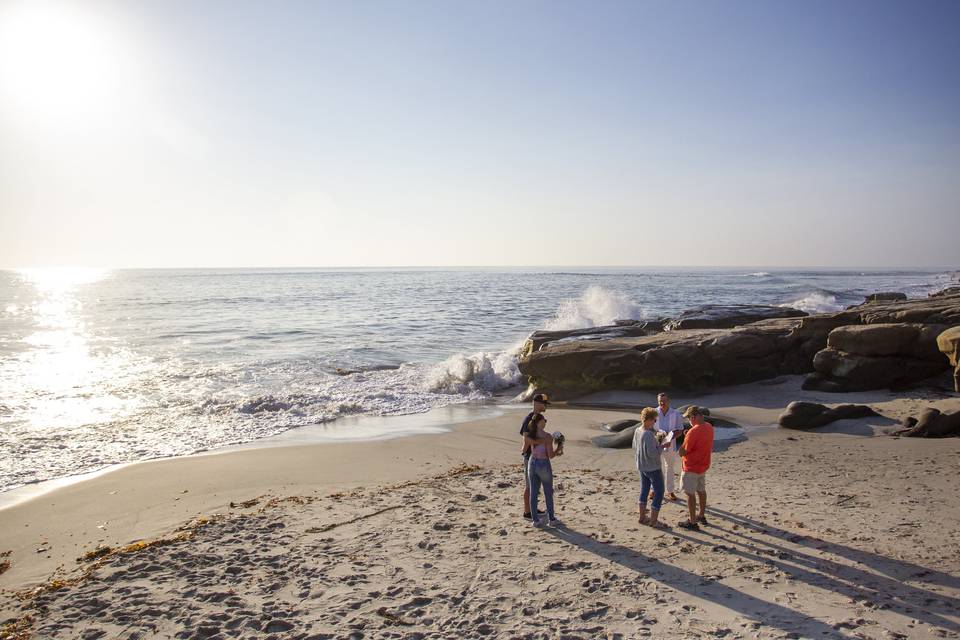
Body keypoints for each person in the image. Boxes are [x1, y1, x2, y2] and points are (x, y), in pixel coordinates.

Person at [677, 405, 714, 531]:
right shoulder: (708, 426)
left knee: (690, 494)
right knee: (701, 490)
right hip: (703, 465)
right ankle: (701, 515)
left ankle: (692, 522)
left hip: (691, 467)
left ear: (693, 417)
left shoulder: (693, 431)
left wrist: (685, 438)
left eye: (689, 419)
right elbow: (700, 441)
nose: (689, 421)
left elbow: (682, 452)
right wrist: (688, 435)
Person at [632, 406, 668, 529]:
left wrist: (656, 441)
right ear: (649, 419)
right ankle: (653, 521)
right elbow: (652, 453)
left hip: (641, 466)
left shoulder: (638, 430)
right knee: (659, 492)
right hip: (652, 467)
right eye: (655, 420)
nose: (655, 423)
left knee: (644, 490)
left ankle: (642, 517)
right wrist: (662, 445)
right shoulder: (648, 434)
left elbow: (634, 447)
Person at [524, 413, 562, 527]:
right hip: (543, 463)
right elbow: (550, 455)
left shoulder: (531, 435)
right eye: (545, 420)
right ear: (540, 422)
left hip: (532, 462)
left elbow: (525, 446)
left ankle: (535, 520)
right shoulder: (547, 436)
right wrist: (558, 449)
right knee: (548, 492)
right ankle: (551, 519)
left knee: (534, 492)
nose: (545, 422)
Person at [520, 393, 550, 519]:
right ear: (537, 403)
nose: (546, 406)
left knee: (535, 485)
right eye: (544, 404)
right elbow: (526, 440)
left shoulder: (540, 417)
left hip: (538, 456)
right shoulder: (529, 419)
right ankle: (527, 512)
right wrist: (543, 442)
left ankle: (533, 509)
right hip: (530, 457)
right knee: (529, 485)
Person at [654, 393, 684, 501]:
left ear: (669, 401)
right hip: (656, 443)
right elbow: (650, 427)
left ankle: (670, 491)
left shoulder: (675, 413)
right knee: (655, 467)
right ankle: (654, 490)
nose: (662, 403)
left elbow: (680, 430)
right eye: (660, 401)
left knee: (669, 467)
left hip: (670, 445)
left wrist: (670, 437)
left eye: (664, 401)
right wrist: (658, 435)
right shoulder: (654, 412)